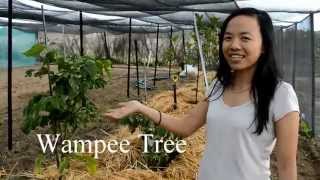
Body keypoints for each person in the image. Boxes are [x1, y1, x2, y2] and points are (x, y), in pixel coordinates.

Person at [104, 8, 300, 180]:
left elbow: (286, 167)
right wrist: (140, 107)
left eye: (245, 38)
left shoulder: (280, 94)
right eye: (228, 37)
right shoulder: (218, 87)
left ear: (264, 45)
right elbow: (185, 126)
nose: (234, 45)